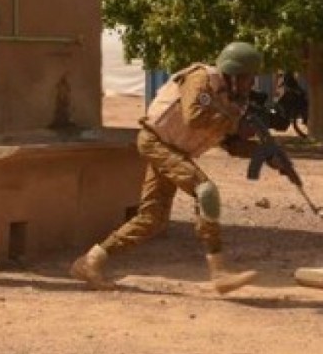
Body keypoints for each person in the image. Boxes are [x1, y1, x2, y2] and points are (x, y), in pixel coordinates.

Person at [69, 41, 268, 295]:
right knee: (205, 191)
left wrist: (262, 151)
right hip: (156, 141)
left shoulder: (230, 100)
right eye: (248, 79)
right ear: (233, 74)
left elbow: (230, 144)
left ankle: (90, 261)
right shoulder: (201, 79)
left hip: (173, 150)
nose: (251, 85)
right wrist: (234, 123)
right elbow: (194, 116)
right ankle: (219, 271)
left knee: (152, 218)